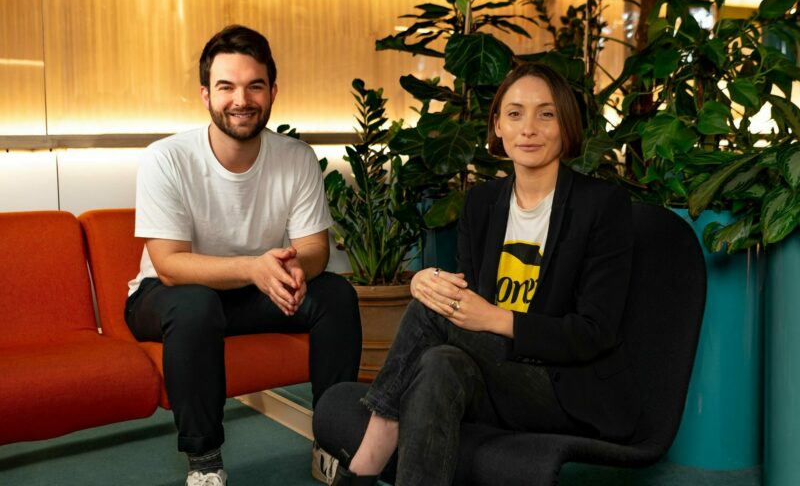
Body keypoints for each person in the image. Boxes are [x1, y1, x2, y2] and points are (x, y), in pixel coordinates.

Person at [314, 62, 642, 485]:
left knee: (433, 312)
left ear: (566, 124)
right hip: (494, 379)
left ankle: (366, 460)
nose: (529, 129)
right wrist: (424, 281)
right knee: (438, 363)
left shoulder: (601, 206)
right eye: (515, 114)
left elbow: (594, 332)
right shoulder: (482, 203)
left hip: (563, 389)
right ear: (498, 127)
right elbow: (463, 297)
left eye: (546, 114)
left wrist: (495, 318)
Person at [126, 24, 362, 486]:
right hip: (167, 296)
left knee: (336, 295)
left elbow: (315, 248)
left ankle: (332, 443)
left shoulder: (296, 157)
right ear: (205, 95)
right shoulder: (166, 158)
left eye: (255, 85)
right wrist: (254, 268)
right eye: (226, 87)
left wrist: (292, 269)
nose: (242, 99)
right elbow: (170, 265)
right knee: (195, 304)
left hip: (253, 290)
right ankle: (204, 461)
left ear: (272, 91)